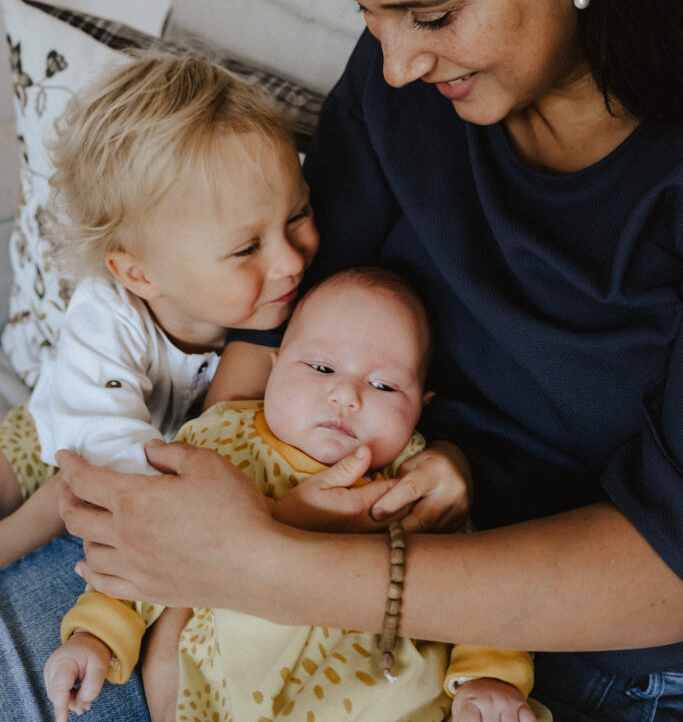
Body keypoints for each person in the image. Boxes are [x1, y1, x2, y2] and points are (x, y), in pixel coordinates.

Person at [2, 0, 682, 721]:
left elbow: (664, 564)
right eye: (368, 15)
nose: (394, 64)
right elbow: (279, 304)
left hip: (552, 634)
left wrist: (256, 566)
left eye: (431, 15)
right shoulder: (404, 83)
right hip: (306, 518)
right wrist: (213, 502)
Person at [43, 268, 544, 722]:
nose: (346, 396)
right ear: (276, 366)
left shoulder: (413, 480)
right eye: (322, 369)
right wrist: (95, 637)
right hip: (225, 697)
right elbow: (151, 546)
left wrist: (490, 676)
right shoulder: (221, 443)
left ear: (420, 407)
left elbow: (474, 583)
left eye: (385, 386)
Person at [0, 51, 320, 569]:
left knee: (64, 496)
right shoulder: (107, 311)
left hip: (142, 455)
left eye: (299, 214)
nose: (290, 260)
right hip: (61, 426)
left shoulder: (292, 313)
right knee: (61, 482)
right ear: (139, 274)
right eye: (246, 249)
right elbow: (99, 446)